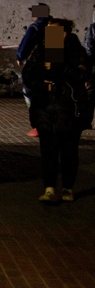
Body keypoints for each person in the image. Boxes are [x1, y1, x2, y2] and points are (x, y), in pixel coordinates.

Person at [21, 18, 90, 203]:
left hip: (70, 111)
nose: (49, 36)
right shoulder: (41, 49)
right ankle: (49, 188)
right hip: (45, 110)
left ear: (65, 34)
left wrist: (60, 67)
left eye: (54, 32)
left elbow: (81, 73)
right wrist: (41, 86)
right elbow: (28, 73)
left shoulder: (76, 51)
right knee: (48, 151)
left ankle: (68, 188)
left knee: (69, 151)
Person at [17, 3, 51, 138]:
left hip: (35, 68)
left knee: (30, 94)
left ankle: (38, 125)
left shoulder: (35, 28)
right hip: (50, 69)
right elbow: (56, 54)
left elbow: (24, 45)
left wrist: (19, 56)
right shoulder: (54, 28)